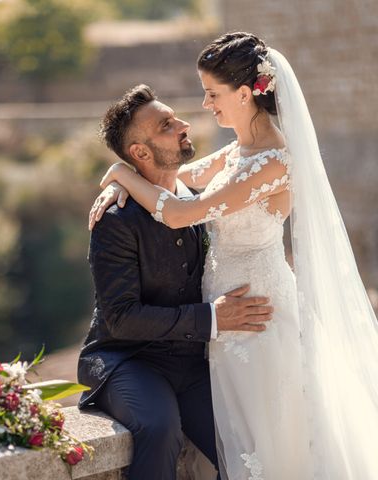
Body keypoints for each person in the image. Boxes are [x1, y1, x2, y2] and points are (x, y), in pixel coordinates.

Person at [90, 32, 378, 479]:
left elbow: (183, 211)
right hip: (222, 330)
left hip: (256, 319)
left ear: (245, 93)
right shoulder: (238, 153)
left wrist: (116, 174)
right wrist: (122, 178)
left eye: (212, 93)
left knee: (270, 448)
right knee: (244, 449)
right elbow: (171, 173)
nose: (204, 106)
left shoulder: (274, 161)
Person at [76, 83, 276, 480]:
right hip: (127, 360)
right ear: (141, 153)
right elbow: (120, 318)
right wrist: (211, 319)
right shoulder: (115, 220)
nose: (184, 124)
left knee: (248, 443)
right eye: (167, 124)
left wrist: (121, 175)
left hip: (192, 364)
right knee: (160, 426)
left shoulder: (201, 202)